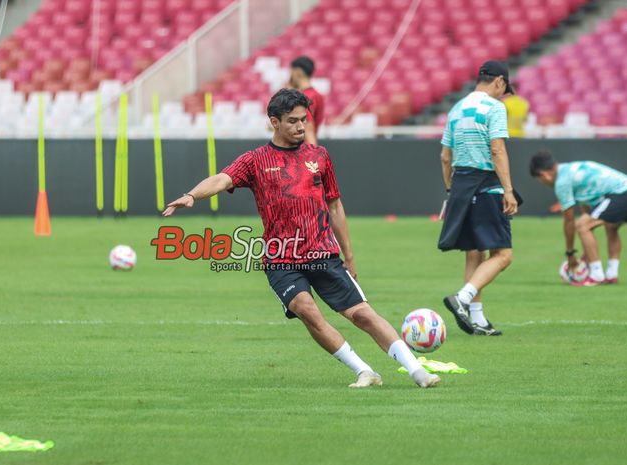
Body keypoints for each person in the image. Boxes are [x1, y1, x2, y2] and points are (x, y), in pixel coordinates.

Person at [163, 88, 440, 389]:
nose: (300, 126)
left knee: (362, 314)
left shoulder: (319, 156)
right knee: (307, 310)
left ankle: (417, 370)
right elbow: (221, 179)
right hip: (281, 258)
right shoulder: (255, 160)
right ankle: (364, 371)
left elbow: (334, 205)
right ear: (274, 122)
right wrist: (192, 195)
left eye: (303, 120)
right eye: (293, 121)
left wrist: (349, 255)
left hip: (323, 254)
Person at [438, 60, 519, 337]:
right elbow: (497, 150)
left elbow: (445, 157)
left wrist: (451, 192)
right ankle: (462, 298)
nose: (503, 94)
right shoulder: (495, 108)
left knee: (475, 251)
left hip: (461, 187)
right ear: (499, 81)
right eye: (504, 88)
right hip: (486, 187)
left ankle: (478, 319)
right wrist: (508, 190)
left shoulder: (456, 109)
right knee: (503, 255)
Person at [529, 151, 627, 286]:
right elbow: (588, 209)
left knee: (582, 225)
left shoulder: (562, 182)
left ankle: (596, 275)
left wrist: (570, 254)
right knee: (611, 226)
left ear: (544, 175)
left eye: (539, 180)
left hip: (624, 193)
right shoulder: (573, 168)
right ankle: (611, 274)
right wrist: (587, 251)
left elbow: (569, 221)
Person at [288, 56, 324, 144]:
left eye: (291, 72)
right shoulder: (317, 95)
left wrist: (314, 154)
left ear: (298, 72)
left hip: (302, 151)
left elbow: (308, 128)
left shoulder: (305, 97)